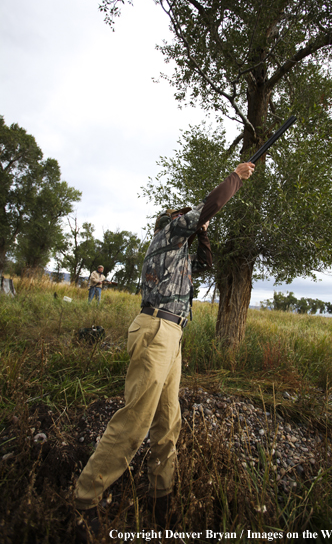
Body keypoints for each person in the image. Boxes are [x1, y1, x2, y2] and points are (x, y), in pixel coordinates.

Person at [74, 162, 255, 539]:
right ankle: (85, 498)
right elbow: (211, 204)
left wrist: (203, 235)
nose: (187, 219)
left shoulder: (180, 255)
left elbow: (208, 262)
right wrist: (235, 176)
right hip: (156, 329)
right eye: (183, 217)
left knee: (168, 421)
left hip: (172, 334)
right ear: (169, 222)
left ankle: (161, 497)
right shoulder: (167, 233)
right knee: (135, 420)